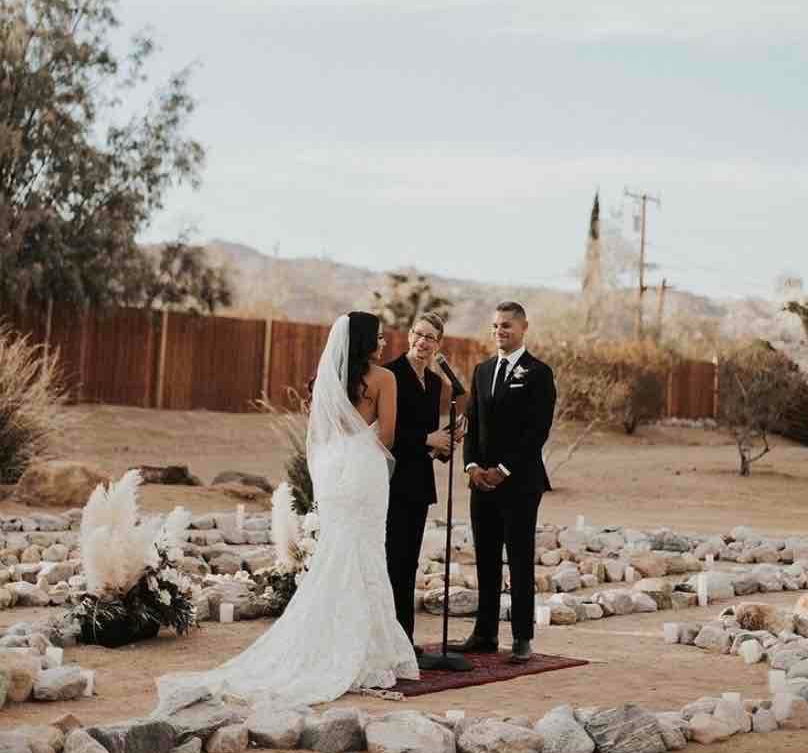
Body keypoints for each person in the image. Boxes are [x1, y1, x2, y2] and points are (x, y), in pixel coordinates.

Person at [156, 312, 419, 708]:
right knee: (366, 552)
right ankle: (368, 650)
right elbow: (388, 434)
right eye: (379, 339)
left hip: (334, 471)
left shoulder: (332, 380)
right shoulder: (385, 379)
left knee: (337, 552)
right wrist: (364, 443)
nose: (383, 345)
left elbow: (324, 433)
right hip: (364, 469)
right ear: (365, 341)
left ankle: (330, 639)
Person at [450, 301, 555, 663]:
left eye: (507, 325)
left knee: (520, 560)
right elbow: (473, 424)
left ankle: (522, 638)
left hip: (520, 483)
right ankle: (485, 633)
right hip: (482, 483)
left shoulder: (539, 373)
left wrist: (504, 469)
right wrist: (472, 467)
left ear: (524, 327)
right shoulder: (481, 371)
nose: (500, 332)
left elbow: (537, 430)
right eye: (496, 326)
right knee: (486, 559)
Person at [384, 312, 461, 655]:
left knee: (408, 563)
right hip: (389, 480)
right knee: (389, 560)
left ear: (438, 344)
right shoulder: (390, 375)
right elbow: (385, 434)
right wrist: (427, 438)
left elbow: (431, 444)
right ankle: (386, 639)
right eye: (419, 334)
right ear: (409, 335)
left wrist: (446, 442)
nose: (423, 342)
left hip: (418, 483)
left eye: (431, 337)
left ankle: (405, 640)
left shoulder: (434, 384)